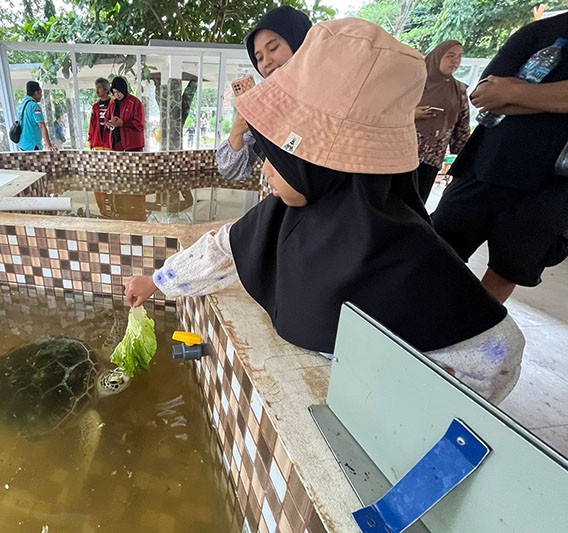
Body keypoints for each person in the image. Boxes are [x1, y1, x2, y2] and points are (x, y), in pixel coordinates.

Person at [125, 18, 524, 404]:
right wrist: (158, 282)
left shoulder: (408, 255)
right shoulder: (284, 213)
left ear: (320, 163)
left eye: (279, 153)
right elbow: (223, 247)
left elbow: (498, 351)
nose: (264, 167)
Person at [431, 13, 568, 304]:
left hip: (553, 185)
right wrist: (553, 101)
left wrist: (515, 94)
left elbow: (501, 99)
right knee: (435, 251)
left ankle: (468, 333)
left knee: (507, 271)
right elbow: (484, 97)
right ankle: (410, 327)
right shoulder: (541, 32)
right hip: (485, 165)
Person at [216, 6, 312, 180]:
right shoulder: (268, 107)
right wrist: (239, 128)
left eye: (273, 48)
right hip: (278, 203)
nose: (266, 62)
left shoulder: (331, 97)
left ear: (301, 42)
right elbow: (230, 170)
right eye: (258, 58)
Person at [414, 40, 471, 203]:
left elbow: (462, 125)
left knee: (415, 205)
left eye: (459, 57)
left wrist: (464, 155)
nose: (455, 61)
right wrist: (411, 114)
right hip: (401, 153)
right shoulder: (413, 83)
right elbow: (387, 111)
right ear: (436, 57)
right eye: (450, 56)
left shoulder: (459, 90)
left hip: (432, 158)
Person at [106, 77, 145, 152]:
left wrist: (123, 123)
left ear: (123, 89)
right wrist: (109, 124)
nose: (117, 95)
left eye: (118, 92)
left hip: (133, 145)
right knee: (119, 163)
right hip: (116, 143)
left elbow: (140, 124)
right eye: (114, 92)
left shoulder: (135, 103)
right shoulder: (112, 104)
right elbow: (106, 118)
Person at [16, 81, 56, 151]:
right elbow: (42, 126)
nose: (41, 96)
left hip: (22, 144)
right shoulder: (34, 106)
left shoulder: (22, 105)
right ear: (36, 92)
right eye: (40, 93)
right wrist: (49, 146)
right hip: (32, 145)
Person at [88, 77, 112, 149]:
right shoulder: (95, 106)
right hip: (98, 140)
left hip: (110, 141)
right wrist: (91, 139)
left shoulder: (114, 103)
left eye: (99, 88)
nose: (97, 91)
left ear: (106, 89)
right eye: (96, 88)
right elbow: (92, 123)